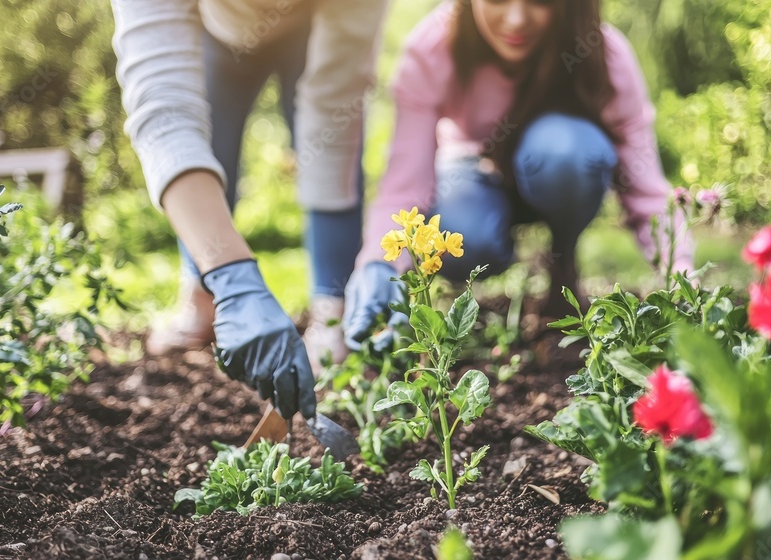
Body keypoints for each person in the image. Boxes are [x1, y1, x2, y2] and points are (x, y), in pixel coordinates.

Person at [342, 0, 694, 349]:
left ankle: (562, 256)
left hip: (557, 169)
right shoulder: (433, 46)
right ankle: (499, 250)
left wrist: (683, 276)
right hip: (473, 170)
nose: (515, 20)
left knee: (566, 154)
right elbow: (405, 184)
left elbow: (646, 190)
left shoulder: (601, 54)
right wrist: (379, 266)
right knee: (463, 236)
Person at [110, 0, 387, 419]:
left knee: (331, 131)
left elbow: (335, 112)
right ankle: (202, 295)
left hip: (313, 29)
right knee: (209, 141)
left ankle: (332, 309)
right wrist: (231, 277)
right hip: (215, 33)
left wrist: (332, 312)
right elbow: (165, 112)